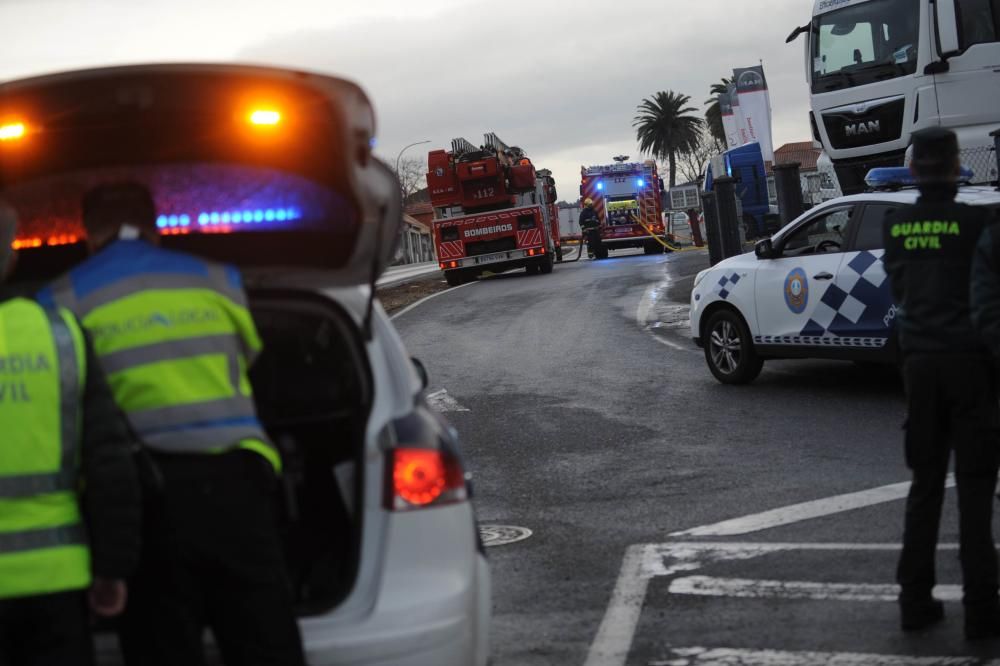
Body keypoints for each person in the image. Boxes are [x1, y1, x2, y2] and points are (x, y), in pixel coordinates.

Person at [38, 183, 306, 665]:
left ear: (86, 233)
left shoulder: (58, 299)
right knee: (266, 644)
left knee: (161, 646)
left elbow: (60, 401)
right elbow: (251, 356)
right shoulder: (216, 277)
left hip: (141, 504)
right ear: (156, 226)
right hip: (238, 490)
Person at [0, 201, 140, 666]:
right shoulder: (60, 336)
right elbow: (110, 466)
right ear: (12, 256)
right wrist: (112, 571)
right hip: (56, 585)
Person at [883, 127, 1000, 639]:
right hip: (971, 366)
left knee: (924, 487)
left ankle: (914, 601)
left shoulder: (895, 225)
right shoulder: (980, 222)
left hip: (920, 367)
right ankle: (981, 612)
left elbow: (901, 286)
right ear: (958, 169)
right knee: (975, 492)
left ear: (913, 170)